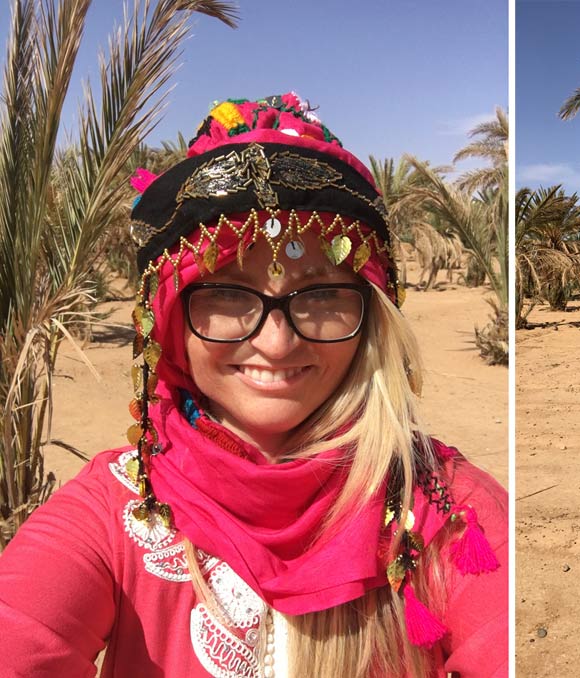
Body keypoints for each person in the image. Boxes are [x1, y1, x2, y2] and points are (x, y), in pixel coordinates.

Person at [0, 92, 508, 677]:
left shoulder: (448, 507)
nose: (276, 343)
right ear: (168, 321)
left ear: (372, 316)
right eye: (227, 293)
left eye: (320, 294)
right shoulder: (112, 511)